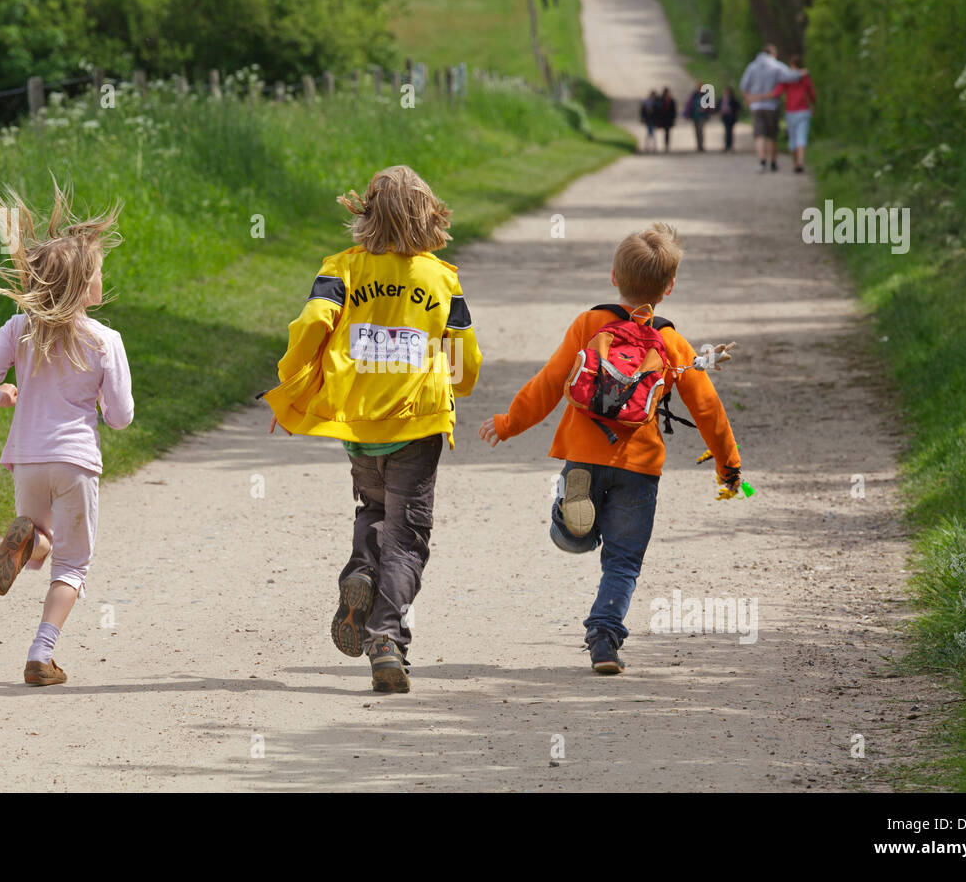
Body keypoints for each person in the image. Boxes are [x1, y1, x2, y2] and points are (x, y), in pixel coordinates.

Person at [479, 223, 741, 674]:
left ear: (614, 277)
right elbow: (708, 409)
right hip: (639, 467)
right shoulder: (673, 343)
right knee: (623, 560)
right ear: (670, 288)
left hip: (583, 452)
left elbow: (549, 382)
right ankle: (604, 636)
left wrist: (509, 423)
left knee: (573, 539)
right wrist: (728, 467)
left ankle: (572, 518)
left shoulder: (589, 324)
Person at [263, 165, 483, 694]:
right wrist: (457, 382)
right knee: (408, 536)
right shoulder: (441, 279)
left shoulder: (341, 269)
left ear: (366, 214)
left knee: (374, 509)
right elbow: (464, 364)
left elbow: (314, 323)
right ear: (429, 216)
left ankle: (362, 571)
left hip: (360, 421)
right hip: (417, 420)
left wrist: (291, 384)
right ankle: (386, 638)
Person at [0, 177, 134, 687]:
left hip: (27, 459)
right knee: (73, 564)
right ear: (85, 284)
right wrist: (104, 407)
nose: (102, 279)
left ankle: (29, 543)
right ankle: (41, 655)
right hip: (76, 460)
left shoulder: (19, 328)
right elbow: (121, 415)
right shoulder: (106, 340)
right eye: (99, 273)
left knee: (40, 535)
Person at [738, 44, 807, 172]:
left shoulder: (752, 67)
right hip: (771, 106)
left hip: (756, 106)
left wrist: (748, 99)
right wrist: (801, 73)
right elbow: (790, 77)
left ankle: (762, 161)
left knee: (759, 135)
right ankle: (773, 162)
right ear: (773, 54)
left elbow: (743, 86)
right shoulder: (776, 66)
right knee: (772, 136)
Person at [682, 81, 711, 152]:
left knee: (700, 130)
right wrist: (687, 113)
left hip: (702, 116)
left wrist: (706, 109)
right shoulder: (694, 95)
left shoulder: (706, 95)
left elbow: (710, 105)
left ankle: (701, 145)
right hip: (695, 115)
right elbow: (689, 104)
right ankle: (698, 145)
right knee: (696, 131)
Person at [718, 86, 742, 152]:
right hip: (724, 116)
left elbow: (739, 107)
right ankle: (727, 145)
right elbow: (717, 107)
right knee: (727, 131)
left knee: (730, 131)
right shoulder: (721, 99)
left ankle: (730, 145)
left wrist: (734, 112)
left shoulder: (733, 99)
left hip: (731, 117)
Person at [657, 87, 677, 152]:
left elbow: (674, 110)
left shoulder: (671, 100)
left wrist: (673, 118)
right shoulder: (661, 100)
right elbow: (659, 109)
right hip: (664, 119)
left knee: (667, 132)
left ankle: (667, 144)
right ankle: (665, 144)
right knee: (666, 132)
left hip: (669, 119)